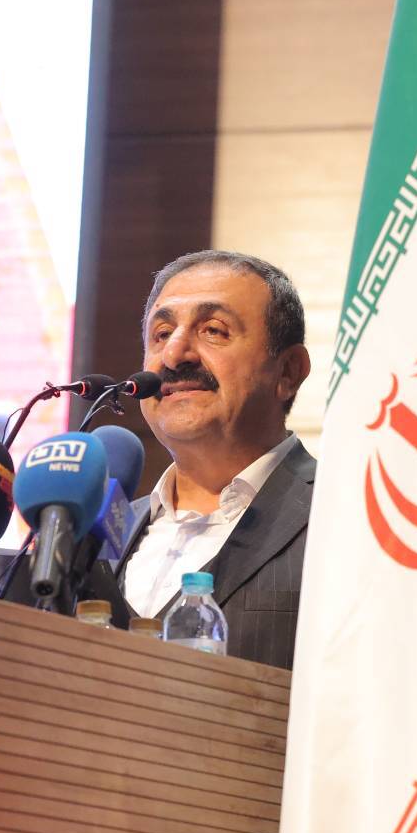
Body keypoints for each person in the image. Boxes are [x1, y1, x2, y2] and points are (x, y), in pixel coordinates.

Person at [113, 250, 314, 669]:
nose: (174, 355)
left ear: (288, 372)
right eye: (161, 334)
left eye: (213, 331)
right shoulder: (96, 536)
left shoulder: (344, 518)